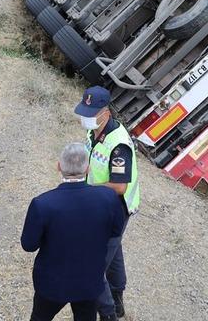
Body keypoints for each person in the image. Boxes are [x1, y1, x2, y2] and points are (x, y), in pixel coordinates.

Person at [21, 143, 126, 321]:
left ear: (59, 166)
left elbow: (29, 245)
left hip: (51, 283)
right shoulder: (108, 197)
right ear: (88, 169)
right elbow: (116, 230)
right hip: (89, 281)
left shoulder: (42, 203)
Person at [75, 86, 140, 320]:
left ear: (106, 113)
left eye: (91, 113)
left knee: (93, 265)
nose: (86, 117)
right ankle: (117, 300)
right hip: (99, 206)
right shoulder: (95, 132)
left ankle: (108, 313)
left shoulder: (119, 144)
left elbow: (119, 186)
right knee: (113, 256)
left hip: (114, 210)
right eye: (84, 112)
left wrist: (85, 190)